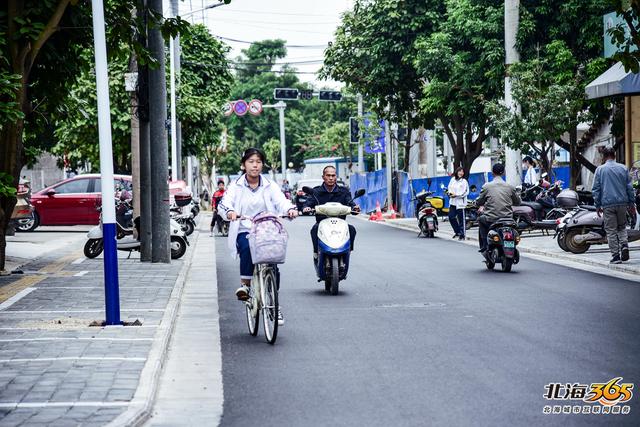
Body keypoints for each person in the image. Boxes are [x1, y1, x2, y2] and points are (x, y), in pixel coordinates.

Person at [217, 148, 297, 324]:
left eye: (258, 162)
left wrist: (290, 209)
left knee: (273, 259)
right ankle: (245, 285)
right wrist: (230, 212)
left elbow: (281, 201)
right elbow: (224, 204)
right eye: (251, 161)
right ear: (244, 164)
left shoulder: (270, 185)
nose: (255, 165)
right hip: (245, 228)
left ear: (262, 165)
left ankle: (274, 304)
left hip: (267, 228)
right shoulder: (235, 186)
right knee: (246, 247)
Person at [302, 166, 360, 260]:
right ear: (323, 177)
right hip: (322, 223)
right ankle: (316, 252)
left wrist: (355, 208)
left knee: (351, 229)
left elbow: (350, 202)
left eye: (333, 175)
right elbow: (308, 203)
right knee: (314, 229)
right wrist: (306, 208)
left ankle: (348, 251)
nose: (331, 178)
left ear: (336, 177)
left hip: (340, 224)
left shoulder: (343, 191)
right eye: (328, 175)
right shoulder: (316, 191)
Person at [591, 146, 636, 264]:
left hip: (607, 205)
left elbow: (596, 189)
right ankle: (624, 245)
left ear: (604, 157)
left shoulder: (600, 170)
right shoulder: (623, 168)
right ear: (614, 156)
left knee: (611, 230)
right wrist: (631, 203)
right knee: (621, 227)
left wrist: (597, 205)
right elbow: (629, 188)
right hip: (622, 204)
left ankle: (615, 256)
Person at [475, 163, 522, 255]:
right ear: (503, 173)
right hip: (508, 218)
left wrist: (478, 204)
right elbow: (518, 202)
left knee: (481, 219)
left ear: (492, 173)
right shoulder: (510, 187)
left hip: (491, 219)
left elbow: (479, 201)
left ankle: (485, 245)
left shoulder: (487, 186)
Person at [447, 166, 469, 241]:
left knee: (461, 219)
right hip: (453, 202)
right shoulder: (452, 179)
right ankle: (457, 232)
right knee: (451, 217)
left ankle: (462, 234)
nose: (461, 173)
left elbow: (465, 191)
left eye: (462, 172)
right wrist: (450, 193)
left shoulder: (464, 181)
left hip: (460, 203)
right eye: (460, 171)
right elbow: (449, 188)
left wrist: (457, 195)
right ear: (457, 171)